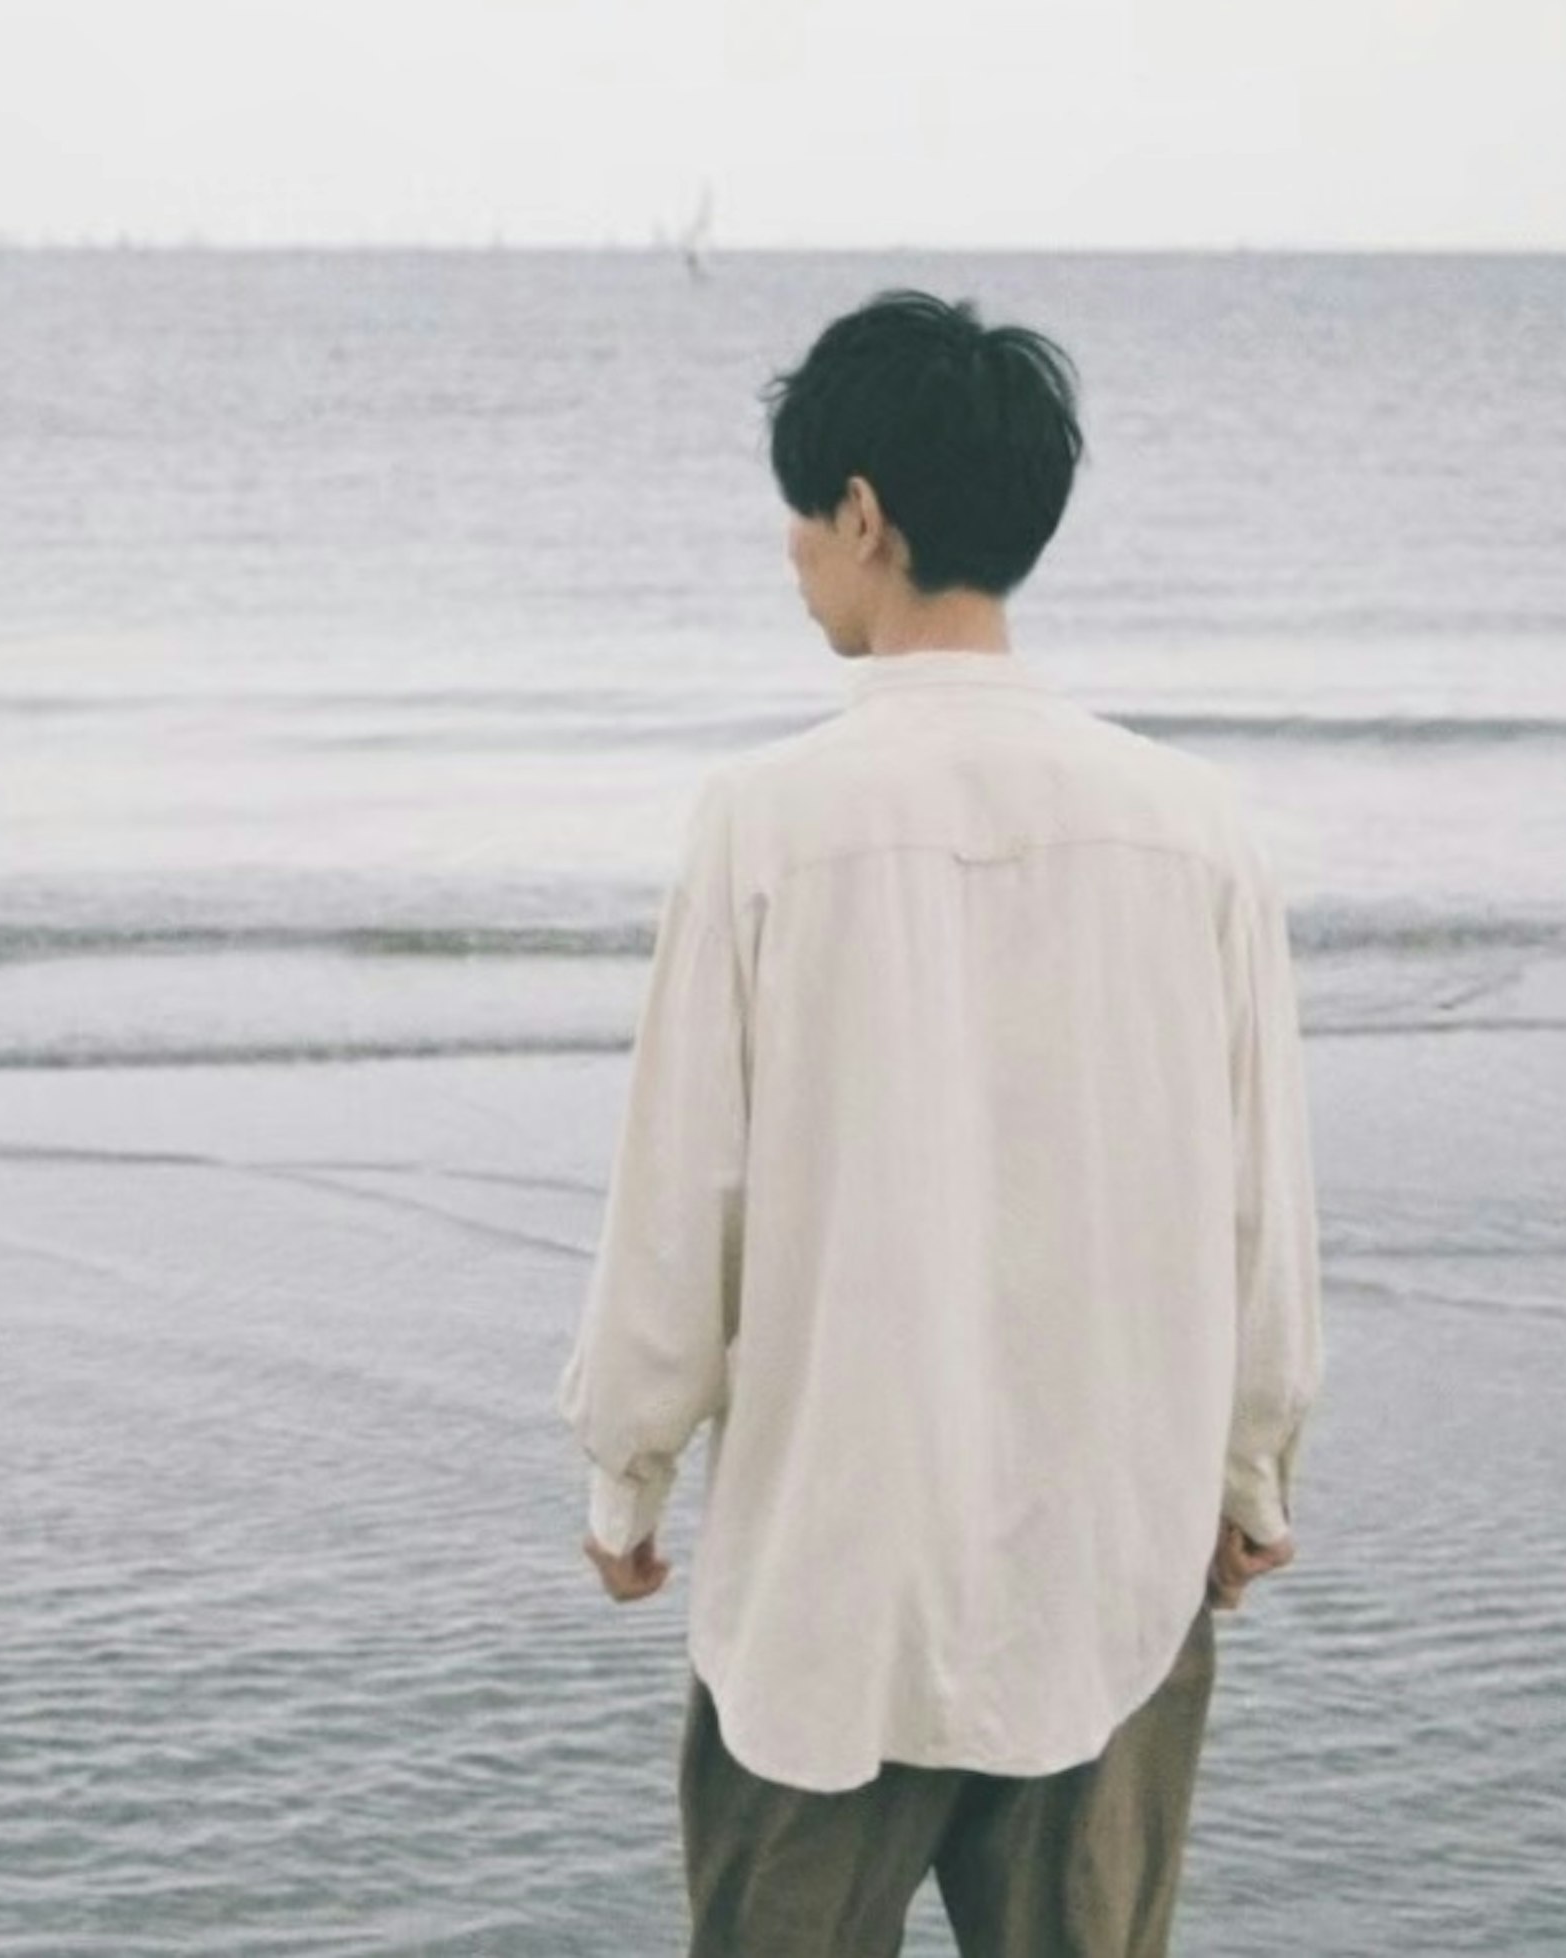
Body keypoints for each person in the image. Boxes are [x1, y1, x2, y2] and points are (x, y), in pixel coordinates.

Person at [558, 288, 1324, 1958]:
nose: (790, 551)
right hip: (1107, 1571)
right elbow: (1258, 1207)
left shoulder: (765, 824)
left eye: (800, 510)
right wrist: (1253, 1469)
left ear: (862, 515)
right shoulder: (1196, 830)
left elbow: (686, 1200)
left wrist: (630, 1470)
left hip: (833, 1584)